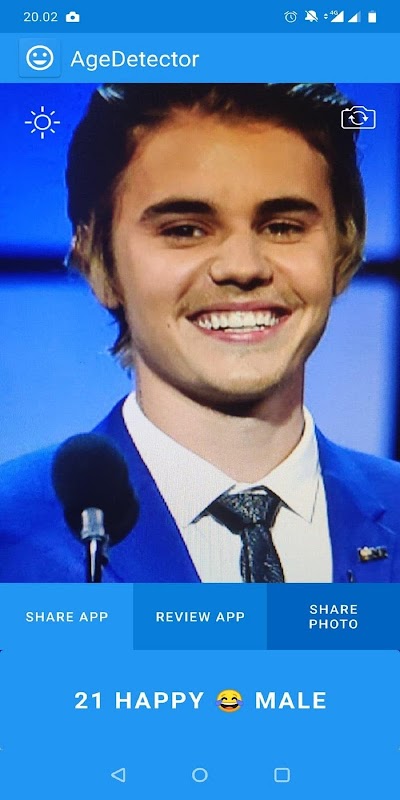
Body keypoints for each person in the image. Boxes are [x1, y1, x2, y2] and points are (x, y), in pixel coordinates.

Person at [0, 82, 399, 583]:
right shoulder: (12, 536)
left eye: (282, 227)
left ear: (344, 250)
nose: (243, 267)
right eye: (185, 230)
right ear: (99, 263)